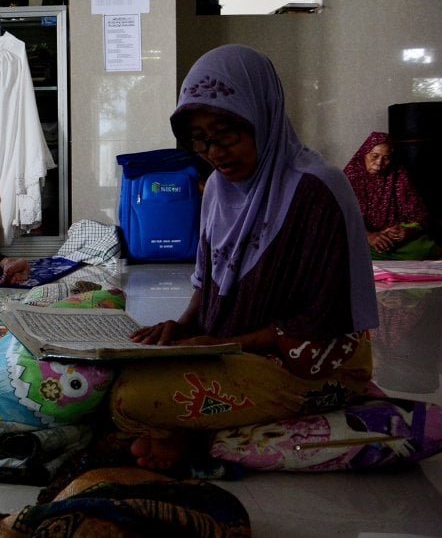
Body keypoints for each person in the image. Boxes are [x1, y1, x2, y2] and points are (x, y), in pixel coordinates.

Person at [113, 44, 379, 470]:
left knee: (135, 399)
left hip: (310, 364)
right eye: (200, 139)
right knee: (123, 376)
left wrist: (224, 344)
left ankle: (185, 436)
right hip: (237, 352)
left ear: (263, 116)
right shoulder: (218, 187)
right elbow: (207, 280)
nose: (215, 152)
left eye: (226, 133)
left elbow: (323, 318)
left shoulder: (316, 189)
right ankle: (184, 433)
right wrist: (180, 330)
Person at [343, 132, 439, 260]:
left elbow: (420, 216)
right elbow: (340, 217)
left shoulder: (398, 175)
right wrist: (368, 236)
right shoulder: (349, 177)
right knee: (345, 247)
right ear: (364, 154)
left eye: (386, 158)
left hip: (393, 239)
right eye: (374, 156)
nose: (379, 163)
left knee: (426, 246)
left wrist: (406, 232)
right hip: (361, 238)